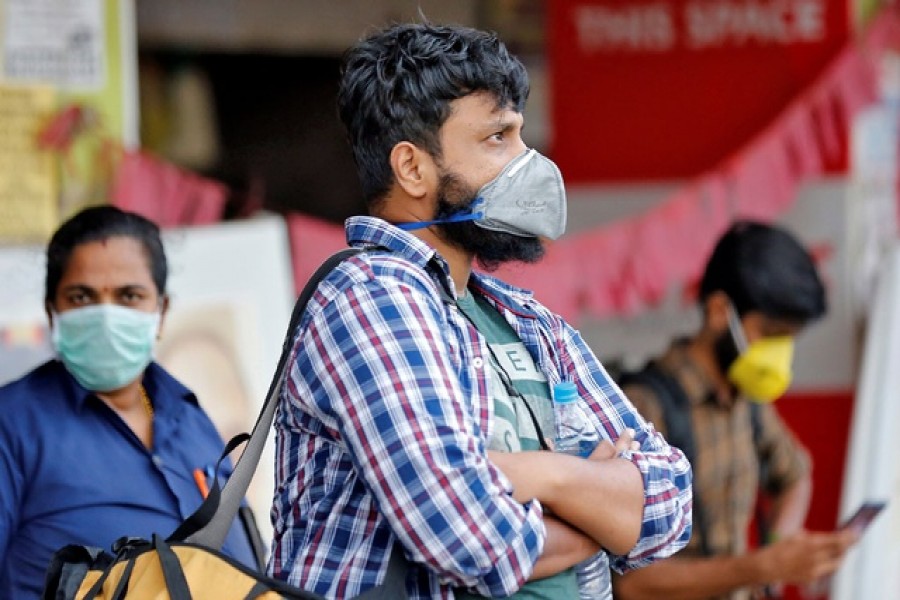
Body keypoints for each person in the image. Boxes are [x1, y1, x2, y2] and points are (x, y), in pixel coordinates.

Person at [268, 22, 692, 599]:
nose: (527, 162)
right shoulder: (371, 298)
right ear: (412, 168)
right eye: (497, 139)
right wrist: (606, 511)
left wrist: (543, 473)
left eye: (519, 136)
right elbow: (471, 538)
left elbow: (668, 510)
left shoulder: (525, 320)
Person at [0, 206, 257, 599]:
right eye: (81, 296)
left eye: (129, 296)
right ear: (53, 311)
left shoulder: (191, 419)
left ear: (161, 311)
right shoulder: (13, 424)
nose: (106, 316)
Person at [612, 221, 858, 600]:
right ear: (718, 311)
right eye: (772, 334)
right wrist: (764, 566)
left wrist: (783, 546)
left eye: (789, 339)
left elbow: (796, 474)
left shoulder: (748, 400)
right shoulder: (644, 410)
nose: (781, 352)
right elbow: (632, 582)